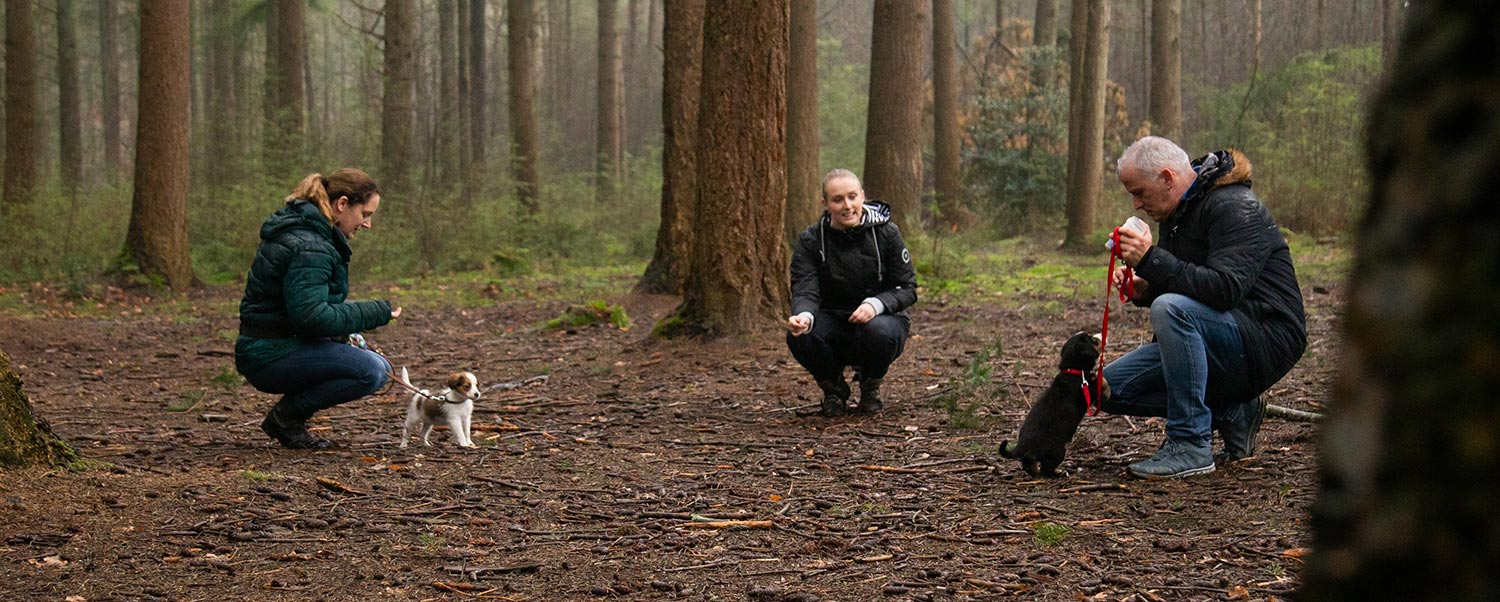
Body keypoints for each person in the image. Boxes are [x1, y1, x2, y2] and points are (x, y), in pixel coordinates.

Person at [1102, 136, 1307, 478]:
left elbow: (1224, 289)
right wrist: (1145, 289)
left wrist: (1151, 260)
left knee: (1170, 308)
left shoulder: (1234, 206)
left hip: (1267, 336)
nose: (1137, 204)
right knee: (1106, 389)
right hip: (1220, 331)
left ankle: (1190, 443)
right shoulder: (1178, 213)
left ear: (1167, 178)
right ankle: (1231, 412)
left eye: (1140, 192)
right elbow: (1191, 286)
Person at [235, 169, 402, 449]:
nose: (368, 224)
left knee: (379, 367)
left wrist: (345, 336)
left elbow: (303, 311)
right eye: (366, 214)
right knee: (370, 370)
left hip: (273, 345)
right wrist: (376, 313)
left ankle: (286, 418)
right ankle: (286, 419)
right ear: (342, 204)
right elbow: (312, 318)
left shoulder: (311, 236)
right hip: (267, 354)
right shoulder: (311, 246)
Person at [787, 169, 918, 416]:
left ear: (863, 197)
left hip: (881, 323)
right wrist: (803, 315)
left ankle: (870, 387)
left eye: (852, 197)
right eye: (838, 200)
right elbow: (805, 287)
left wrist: (876, 305)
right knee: (798, 335)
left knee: (879, 331)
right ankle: (834, 390)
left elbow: (907, 288)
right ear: (825, 204)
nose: (847, 206)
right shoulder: (811, 240)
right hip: (833, 322)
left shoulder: (887, 233)